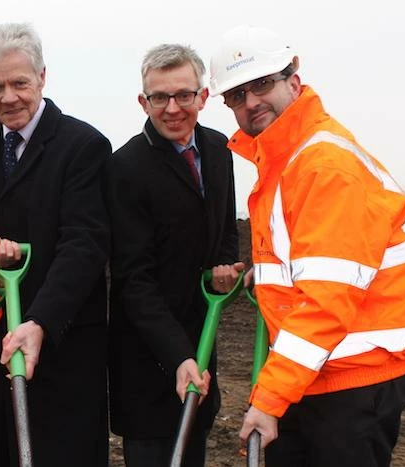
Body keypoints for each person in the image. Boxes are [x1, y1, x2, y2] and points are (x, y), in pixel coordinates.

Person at [209, 25, 405, 466]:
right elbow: (311, 259)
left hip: (355, 375)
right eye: (237, 95)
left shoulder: (323, 166)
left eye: (262, 84)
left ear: (293, 81)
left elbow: (327, 299)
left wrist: (269, 397)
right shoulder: (283, 161)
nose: (251, 101)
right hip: (318, 368)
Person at [0, 22, 112, 467]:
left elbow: (85, 244)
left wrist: (40, 320)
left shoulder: (83, 146)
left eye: (20, 83)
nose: (8, 97)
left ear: (42, 77)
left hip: (61, 345)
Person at [105, 43, 243, 467]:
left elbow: (224, 237)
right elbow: (133, 279)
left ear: (202, 97)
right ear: (143, 102)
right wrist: (177, 354)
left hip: (201, 344)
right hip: (147, 359)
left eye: (184, 95)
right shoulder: (126, 167)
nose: (172, 108)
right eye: (160, 97)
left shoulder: (220, 151)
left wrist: (227, 275)